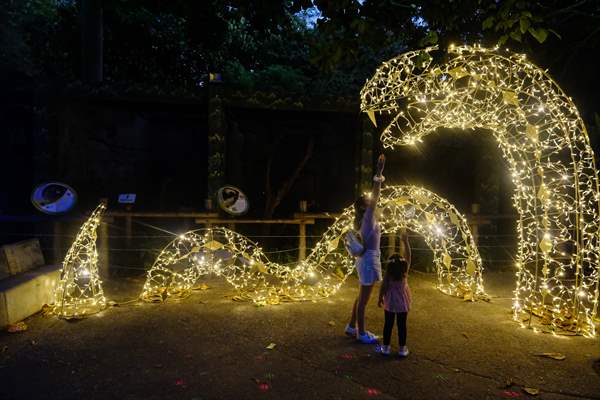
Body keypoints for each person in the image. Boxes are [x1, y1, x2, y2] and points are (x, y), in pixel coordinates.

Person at [345, 154, 386, 344]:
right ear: (364, 206)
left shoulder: (364, 220)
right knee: (364, 300)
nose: (371, 200)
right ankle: (361, 333)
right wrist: (379, 172)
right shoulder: (368, 217)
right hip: (369, 259)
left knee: (361, 294)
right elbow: (376, 194)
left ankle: (351, 326)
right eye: (367, 200)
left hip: (365, 260)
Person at [376, 232, 412, 357]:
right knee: (402, 326)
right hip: (402, 302)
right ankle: (402, 349)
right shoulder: (404, 271)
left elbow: (383, 286)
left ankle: (386, 348)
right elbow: (408, 256)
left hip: (390, 303)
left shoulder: (388, 274)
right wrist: (405, 241)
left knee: (388, 325)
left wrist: (380, 298)